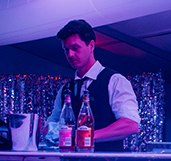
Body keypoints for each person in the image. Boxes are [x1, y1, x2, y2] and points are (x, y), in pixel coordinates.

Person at [45, 19, 140, 152]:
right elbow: (51, 124)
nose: (70, 54)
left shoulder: (115, 81)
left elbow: (130, 125)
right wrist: (47, 131)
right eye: (66, 50)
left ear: (91, 46)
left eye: (75, 48)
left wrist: (84, 137)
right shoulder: (65, 89)